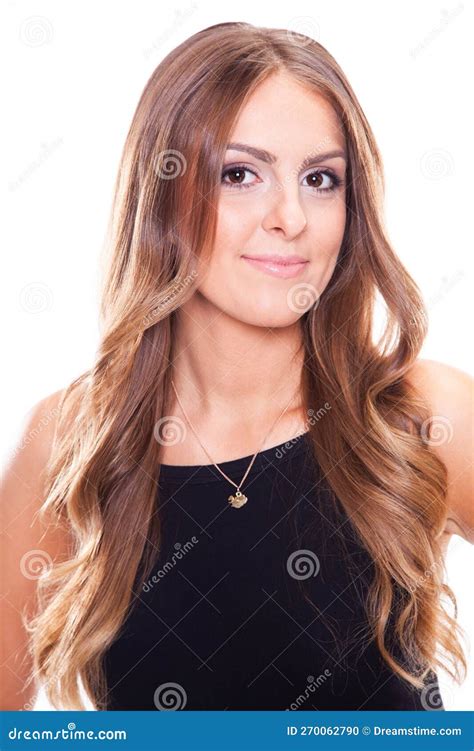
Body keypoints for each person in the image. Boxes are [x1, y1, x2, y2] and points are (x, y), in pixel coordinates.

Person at [1, 21, 472, 712]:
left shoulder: (421, 412)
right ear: (164, 193)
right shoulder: (72, 440)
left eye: (320, 178)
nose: (290, 216)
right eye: (239, 173)